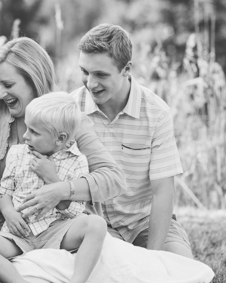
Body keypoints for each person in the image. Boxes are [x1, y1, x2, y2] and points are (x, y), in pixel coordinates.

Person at [0, 37, 125, 226]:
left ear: (35, 80)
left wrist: (61, 190)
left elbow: (114, 179)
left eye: (8, 85)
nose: (0, 94)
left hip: (62, 227)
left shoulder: (71, 122)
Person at [0, 93, 109, 283]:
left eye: (34, 132)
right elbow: (4, 193)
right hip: (20, 233)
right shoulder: (17, 154)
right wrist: (9, 213)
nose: (25, 136)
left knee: (96, 224)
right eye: (26, 128)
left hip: (56, 230)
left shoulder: (77, 161)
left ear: (60, 139)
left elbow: (73, 211)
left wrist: (52, 179)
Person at [72, 24, 193, 258]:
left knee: (180, 265)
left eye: (101, 75)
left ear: (126, 69)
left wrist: (153, 256)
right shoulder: (70, 109)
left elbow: (162, 191)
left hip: (143, 220)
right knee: (113, 267)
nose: (90, 83)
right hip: (94, 223)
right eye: (85, 72)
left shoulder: (156, 113)